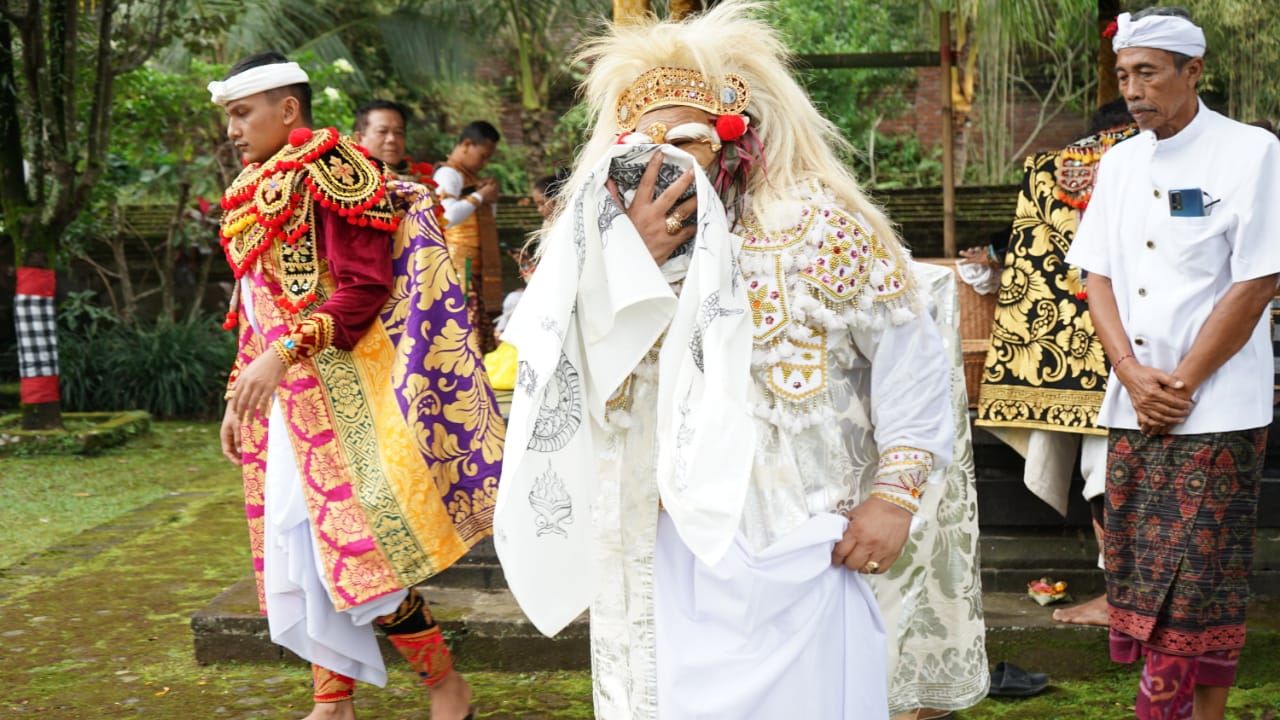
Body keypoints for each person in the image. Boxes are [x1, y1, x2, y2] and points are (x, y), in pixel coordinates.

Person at [493, 3, 958, 717]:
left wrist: (894, 497)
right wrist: (627, 267)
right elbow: (548, 369)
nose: (668, 161)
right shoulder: (592, 237)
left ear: (736, 139)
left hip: (797, 535)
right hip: (659, 542)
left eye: (688, 139)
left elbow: (912, 361)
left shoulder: (820, 225)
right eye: (645, 144)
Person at [210, 52, 504, 720]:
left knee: (358, 553)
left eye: (240, 113)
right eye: (229, 117)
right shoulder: (256, 184)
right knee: (304, 553)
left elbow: (364, 286)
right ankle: (332, 701)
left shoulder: (334, 171)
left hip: (348, 396)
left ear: (287, 109)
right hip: (287, 399)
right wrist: (239, 395)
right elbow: (257, 304)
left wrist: (282, 353)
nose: (231, 130)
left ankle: (444, 685)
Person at [1065, 9, 1280, 719]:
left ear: (1193, 72)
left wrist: (1182, 384)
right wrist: (1129, 371)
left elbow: (1256, 281)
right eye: (1125, 75)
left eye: (1148, 73)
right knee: (1137, 571)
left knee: (1197, 581)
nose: (1133, 89)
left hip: (1215, 409)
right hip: (1136, 403)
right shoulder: (1121, 159)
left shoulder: (1251, 153)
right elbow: (1094, 272)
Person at [970, 98, 1139, 628]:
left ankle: (1126, 598)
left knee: (1105, 473)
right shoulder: (1146, 165)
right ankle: (1129, 598)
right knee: (1111, 472)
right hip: (1167, 357)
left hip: (1079, 357)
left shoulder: (1059, 175)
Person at [434, 121, 503, 353]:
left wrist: (487, 198)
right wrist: (481, 195)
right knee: (463, 328)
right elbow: (448, 216)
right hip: (458, 263)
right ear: (466, 144)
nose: (484, 163)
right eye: (483, 156)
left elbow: (486, 218)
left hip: (475, 264)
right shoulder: (448, 173)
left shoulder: (470, 178)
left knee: (476, 329)